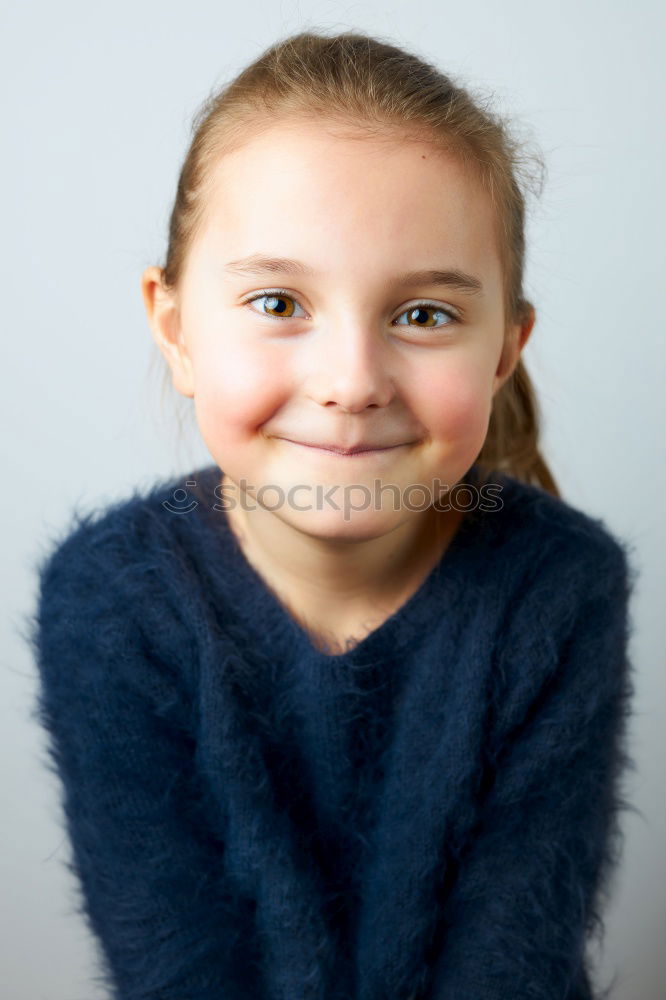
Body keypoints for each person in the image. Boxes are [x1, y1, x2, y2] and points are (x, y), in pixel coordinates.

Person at [25, 28, 639, 1000]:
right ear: (178, 329)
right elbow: (179, 965)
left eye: (425, 315)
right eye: (278, 301)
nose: (351, 381)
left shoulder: (561, 586)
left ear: (503, 349)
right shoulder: (109, 596)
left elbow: (511, 963)